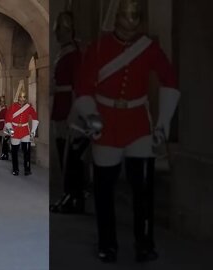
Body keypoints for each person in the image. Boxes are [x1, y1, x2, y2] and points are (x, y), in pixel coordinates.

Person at [74, 0, 180, 263]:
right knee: (104, 190)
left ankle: (144, 244)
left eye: (136, 17)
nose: (131, 22)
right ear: (117, 17)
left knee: (144, 190)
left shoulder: (149, 47)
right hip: (106, 123)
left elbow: (169, 80)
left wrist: (162, 124)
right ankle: (107, 243)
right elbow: (84, 85)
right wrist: (91, 115)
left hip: (138, 125)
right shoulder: (99, 47)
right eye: (126, 16)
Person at [50, 11, 89, 214]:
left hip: (69, 109)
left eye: (61, 31)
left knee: (71, 157)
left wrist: (76, 113)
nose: (57, 34)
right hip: (61, 106)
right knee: (66, 154)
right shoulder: (65, 52)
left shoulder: (74, 54)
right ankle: (73, 195)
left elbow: (78, 86)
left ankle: (72, 196)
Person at [4, 80, 39, 176]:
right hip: (15, 131)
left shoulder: (29, 107)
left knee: (27, 151)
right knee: (14, 152)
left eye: (24, 98)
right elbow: (8, 120)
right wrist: (11, 130)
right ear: (18, 98)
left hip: (25, 131)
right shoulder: (12, 107)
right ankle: (15, 169)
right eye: (21, 98)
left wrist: (33, 131)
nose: (22, 100)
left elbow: (35, 118)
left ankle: (27, 169)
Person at [0, 95, 9, 160]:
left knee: (5, 141)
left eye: (2, 102)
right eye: (0, 102)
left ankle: (5, 154)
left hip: (4, 126)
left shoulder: (5, 109)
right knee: (2, 141)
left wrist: (5, 128)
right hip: (1, 125)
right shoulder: (1, 109)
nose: (0, 103)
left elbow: (6, 119)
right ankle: (3, 153)